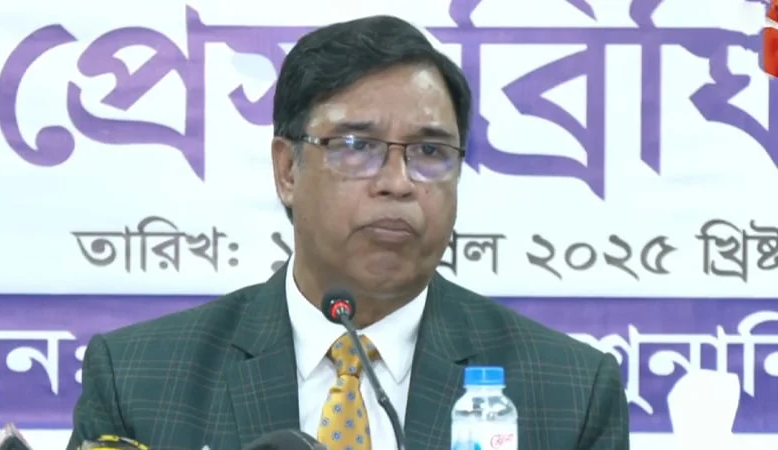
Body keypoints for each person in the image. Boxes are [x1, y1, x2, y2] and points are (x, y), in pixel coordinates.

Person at [68, 15, 630, 450]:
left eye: (430, 151)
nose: (398, 183)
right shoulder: (139, 379)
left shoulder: (569, 392)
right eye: (357, 147)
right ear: (288, 171)